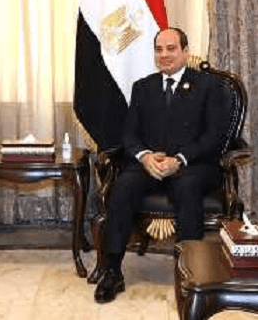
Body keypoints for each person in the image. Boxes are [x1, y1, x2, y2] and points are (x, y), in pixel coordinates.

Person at [94, 28, 222, 303]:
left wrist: (180, 159)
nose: (164, 55)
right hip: (151, 164)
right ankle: (112, 270)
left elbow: (214, 136)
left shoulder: (208, 86)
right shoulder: (143, 87)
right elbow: (129, 134)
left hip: (193, 165)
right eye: (159, 49)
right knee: (123, 186)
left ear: (185, 51)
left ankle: (192, 274)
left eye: (171, 48)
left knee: (187, 187)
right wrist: (144, 156)